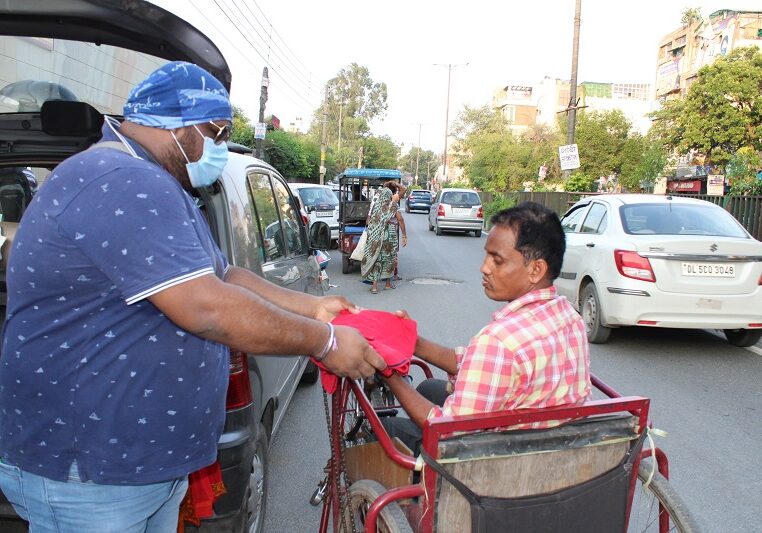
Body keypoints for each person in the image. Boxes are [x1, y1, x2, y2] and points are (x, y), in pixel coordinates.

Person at [0, 61, 386, 532]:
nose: (220, 147)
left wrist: (313, 306)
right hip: (92, 472)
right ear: (179, 126)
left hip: (136, 468)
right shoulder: (122, 178)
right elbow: (207, 307)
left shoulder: (157, 181)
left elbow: (224, 276)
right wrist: (323, 342)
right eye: (216, 131)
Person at [381, 202, 590, 454]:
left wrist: (388, 373)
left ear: (536, 269)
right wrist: (416, 343)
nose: (484, 267)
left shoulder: (499, 342)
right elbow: (479, 364)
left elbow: (446, 429)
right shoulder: (570, 316)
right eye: (486, 255)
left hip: (495, 464)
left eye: (497, 260)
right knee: (427, 388)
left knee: (386, 426)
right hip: (550, 447)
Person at [361, 181, 406, 294]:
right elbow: (400, 220)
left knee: (377, 259)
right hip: (390, 235)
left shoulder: (376, 206)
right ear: (390, 195)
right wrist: (404, 235)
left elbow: (370, 222)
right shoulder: (393, 205)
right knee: (389, 259)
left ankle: (375, 287)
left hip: (376, 237)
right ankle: (387, 284)